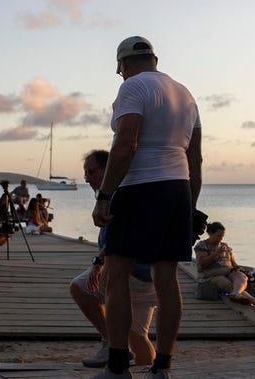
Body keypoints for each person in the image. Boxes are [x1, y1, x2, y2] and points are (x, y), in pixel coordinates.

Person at [92, 36, 202, 379]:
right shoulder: (185, 94)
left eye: (120, 70)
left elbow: (126, 143)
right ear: (154, 59)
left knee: (116, 274)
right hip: (178, 189)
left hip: (139, 187)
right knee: (166, 279)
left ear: (123, 65)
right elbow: (195, 158)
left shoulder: (133, 88)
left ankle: (117, 367)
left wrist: (105, 195)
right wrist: (190, 207)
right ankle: (162, 368)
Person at [72, 149, 158, 370]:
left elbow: (122, 235)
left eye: (90, 172)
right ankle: (148, 370)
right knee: (138, 337)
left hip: (131, 273)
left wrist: (98, 263)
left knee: (80, 289)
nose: (86, 178)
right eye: (85, 173)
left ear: (107, 169)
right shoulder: (128, 189)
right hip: (151, 277)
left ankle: (111, 345)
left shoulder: (117, 193)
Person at [194, 222, 255, 306]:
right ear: (210, 233)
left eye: (222, 236)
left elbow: (234, 264)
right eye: (218, 236)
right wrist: (216, 253)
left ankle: (236, 294)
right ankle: (252, 300)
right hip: (210, 276)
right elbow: (202, 264)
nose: (221, 239)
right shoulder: (202, 245)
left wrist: (239, 269)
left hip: (228, 272)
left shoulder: (225, 246)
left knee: (241, 276)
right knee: (223, 281)